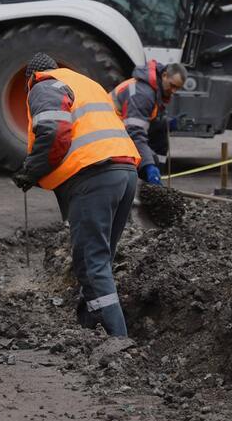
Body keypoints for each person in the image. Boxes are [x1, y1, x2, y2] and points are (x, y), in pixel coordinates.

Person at [12, 53, 140, 337]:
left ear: (30, 78)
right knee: (98, 260)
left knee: (92, 263)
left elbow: (52, 132)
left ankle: (117, 339)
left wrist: (30, 171)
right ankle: (89, 327)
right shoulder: (86, 84)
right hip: (126, 172)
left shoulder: (43, 85)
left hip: (94, 176)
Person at [109, 60, 187, 186]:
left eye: (177, 88)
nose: (174, 91)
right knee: (150, 158)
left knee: (161, 134)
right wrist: (149, 165)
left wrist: (168, 124)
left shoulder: (156, 90)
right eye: (172, 85)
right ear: (164, 75)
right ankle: (146, 181)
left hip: (121, 128)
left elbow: (147, 121)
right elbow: (135, 132)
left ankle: (155, 180)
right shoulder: (143, 94)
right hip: (109, 132)